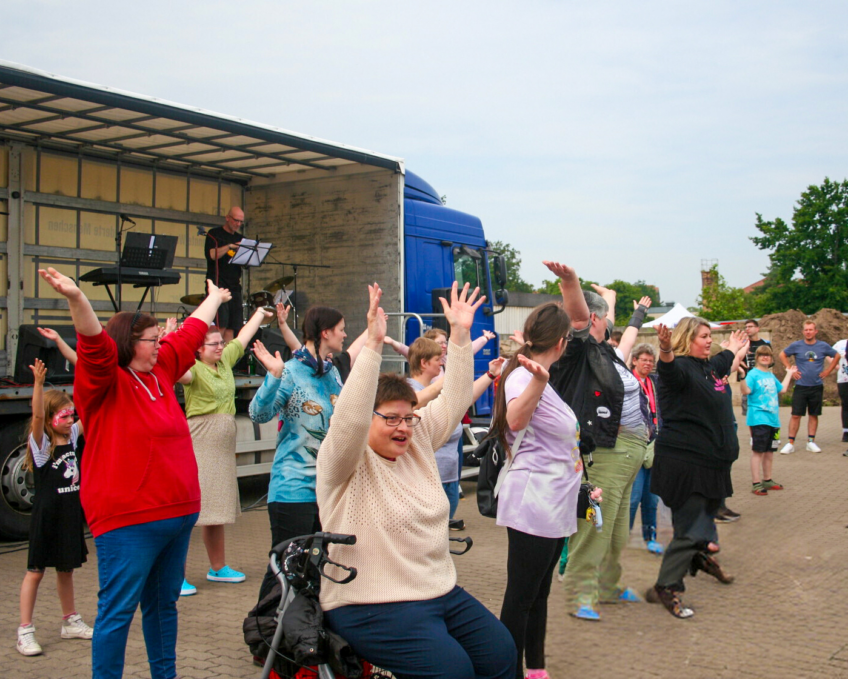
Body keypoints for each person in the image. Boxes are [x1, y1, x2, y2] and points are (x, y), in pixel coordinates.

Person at [316, 281, 516, 679]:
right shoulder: (343, 460)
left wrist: (459, 337)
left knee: (501, 654)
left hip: (437, 591)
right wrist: (372, 346)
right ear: (368, 419)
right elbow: (350, 417)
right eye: (389, 418)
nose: (402, 427)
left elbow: (455, 397)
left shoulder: (419, 437)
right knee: (452, 671)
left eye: (408, 417)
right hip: (367, 602)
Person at [38, 267, 230, 679]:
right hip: (130, 521)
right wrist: (77, 300)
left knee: (163, 607)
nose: (161, 343)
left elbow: (190, 333)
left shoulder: (160, 370)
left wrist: (214, 298)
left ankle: (166, 675)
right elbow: (93, 343)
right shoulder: (103, 382)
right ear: (129, 343)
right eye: (152, 339)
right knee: (118, 611)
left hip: (177, 517)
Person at [494, 302, 602, 679]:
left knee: (539, 595)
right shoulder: (525, 377)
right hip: (532, 504)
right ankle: (509, 671)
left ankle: (536, 669)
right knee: (521, 598)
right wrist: (539, 382)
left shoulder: (543, 376)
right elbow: (515, 419)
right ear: (561, 341)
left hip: (555, 503)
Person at [542, 261, 653, 620]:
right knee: (593, 530)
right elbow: (578, 320)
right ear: (595, 319)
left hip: (627, 458)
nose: (608, 323)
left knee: (617, 534)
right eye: (603, 317)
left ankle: (607, 586)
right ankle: (579, 595)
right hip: (603, 455)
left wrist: (617, 301)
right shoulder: (578, 352)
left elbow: (623, 330)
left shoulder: (607, 352)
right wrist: (570, 283)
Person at [646, 320, 747, 618]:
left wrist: (732, 346)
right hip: (685, 464)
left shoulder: (710, 366)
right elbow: (667, 367)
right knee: (691, 529)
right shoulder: (679, 370)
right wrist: (664, 348)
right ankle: (667, 586)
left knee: (703, 520)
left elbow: (725, 356)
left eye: (710, 336)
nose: (708, 341)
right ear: (687, 339)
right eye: (703, 337)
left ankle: (698, 558)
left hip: (711, 465)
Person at [249, 305, 346, 601]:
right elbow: (258, 414)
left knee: (316, 571)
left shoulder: (331, 373)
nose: (344, 334)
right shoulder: (289, 372)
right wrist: (273, 377)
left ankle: (305, 637)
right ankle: (265, 636)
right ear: (325, 333)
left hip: (326, 492)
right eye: (341, 329)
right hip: (293, 490)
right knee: (285, 573)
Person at [178, 307, 273, 595]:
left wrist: (258, 313)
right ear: (198, 349)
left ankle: (218, 567)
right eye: (214, 343)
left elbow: (242, 339)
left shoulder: (224, 364)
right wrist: (173, 336)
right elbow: (173, 369)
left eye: (221, 342)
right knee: (192, 511)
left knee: (216, 510)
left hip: (221, 450)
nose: (221, 347)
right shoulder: (193, 370)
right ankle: (175, 575)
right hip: (201, 444)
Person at [16, 358, 93, 657]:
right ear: (49, 420)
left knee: (66, 569)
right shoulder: (41, 447)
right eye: (63, 416)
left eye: (71, 415)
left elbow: (88, 407)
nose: (70, 420)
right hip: (46, 518)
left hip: (69, 516)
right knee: (35, 572)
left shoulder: (72, 437)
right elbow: (36, 415)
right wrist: (37, 384)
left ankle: (70, 621)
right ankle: (25, 629)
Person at [406, 337, 505, 521]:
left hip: (449, 475)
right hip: (428, 478)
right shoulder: (411, 390)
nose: (441, 363)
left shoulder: (433, 389)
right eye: (438, 359)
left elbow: (464, 398)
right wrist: (454, 372)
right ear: (424, 363)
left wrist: (490, 374)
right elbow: (414, 401)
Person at [778, 321, 840, 454]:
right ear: (803, 332)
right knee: (796, 415)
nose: (808, 332)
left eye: (811, 330)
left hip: (816, 386)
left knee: (813, 414)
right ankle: (790, 442)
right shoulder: (797, 345)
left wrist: (828, 371)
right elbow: (782, 354)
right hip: (801, 386)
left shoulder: (823, 346)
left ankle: (811, 441)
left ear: (815, 331)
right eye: (806, 330)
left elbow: (837, 355)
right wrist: (790, 369)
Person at [740, 346, 794, 495]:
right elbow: (746, 391)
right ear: (757, 358)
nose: (765, 358)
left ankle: (767, 479)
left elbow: (781, 389)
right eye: (762, 355)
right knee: (758, 451)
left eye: (768, 356)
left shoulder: (770, 376)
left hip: (773, 420)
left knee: (770, 451)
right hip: (759, 418)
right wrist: (742, 377)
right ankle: (756, 483)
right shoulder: (753, 375)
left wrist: (789, 373)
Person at [628, 344, 663, 555]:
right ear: (634, 360)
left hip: (655, 444)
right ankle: (623, 536)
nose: (648, 364)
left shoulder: (655, 382)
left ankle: (650, 536)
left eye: (651, 361)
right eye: (644, 360)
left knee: (652, 497)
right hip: (634, 444)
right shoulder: (628, 382)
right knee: (634, 496)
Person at [205, 206, 245, 342]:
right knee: (220, 325)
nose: (238, 224)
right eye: (235, 220)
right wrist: (230, 246)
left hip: (234, 286)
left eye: (241, 222)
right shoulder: (214, 234)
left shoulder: (241, 238)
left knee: (232, 328)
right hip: (218, 286)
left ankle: (228, 361)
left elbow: (245, 263)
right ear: (227, 218)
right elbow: (211, 254)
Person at [740, 320, 771, 430]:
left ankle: (768, 430)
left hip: (763, 382)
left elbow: (771, 362)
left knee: (766, 408)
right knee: (750, 410)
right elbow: (736, 359)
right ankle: (753, 435)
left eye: (750, 326)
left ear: (757, 329)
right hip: (749, 382)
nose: (747, 329)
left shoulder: (765, 344)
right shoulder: (743, 344)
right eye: (746, 327)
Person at [831, 336, 848, 446]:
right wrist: (835, 366)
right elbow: (830, 355)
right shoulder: (840, 344)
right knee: (846, 405)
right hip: (843, 379)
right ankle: (846, 431)